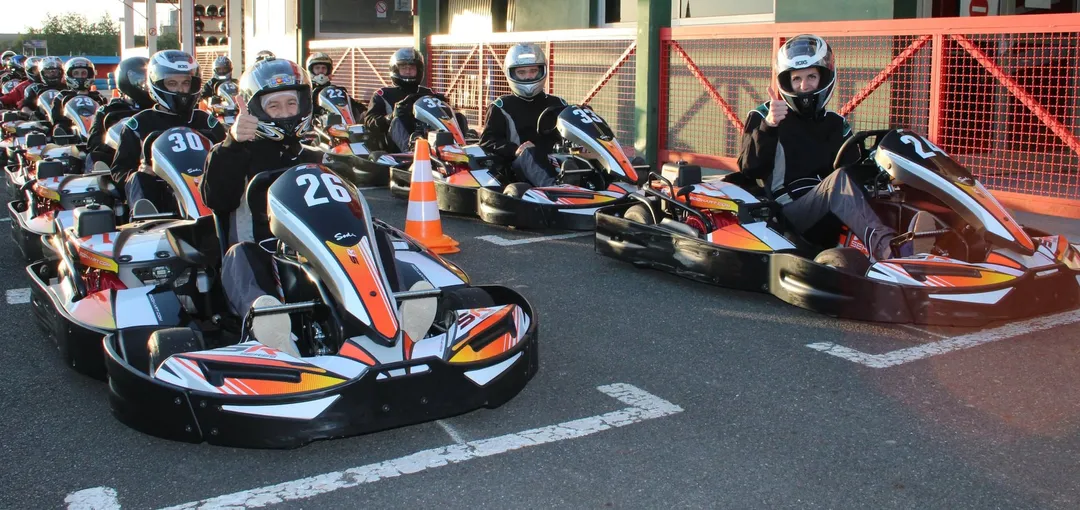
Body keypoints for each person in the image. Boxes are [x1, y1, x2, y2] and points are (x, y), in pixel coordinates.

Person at [737, 34, 928, 261]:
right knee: (839, 183)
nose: (804, 85)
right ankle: (891, 251)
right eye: (797, 79)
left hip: (829, 210)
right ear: (787, 82)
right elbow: (749, 169)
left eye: (811, 76)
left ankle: (933, 241)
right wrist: (769, 126)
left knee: (882, 187)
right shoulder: (766, 115)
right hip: (789, 215)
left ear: (824, 78)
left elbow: (853, 169)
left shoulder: (836, 123)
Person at [200, 57, 324, 356]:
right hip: (264, 255)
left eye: (291, 104)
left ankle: (403, 308)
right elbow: (217, 199)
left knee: (377, 234)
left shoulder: (315, 156)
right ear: (256, 110)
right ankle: (271, 327)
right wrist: (233, 145)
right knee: (239, 254)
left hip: (319, 253)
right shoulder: (235, 154)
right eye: (274, 106)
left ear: (304, 105)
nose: (285, 112)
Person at [111, 50, 225, 216]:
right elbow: (118, 171)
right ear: (157, 84)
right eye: (172, 83)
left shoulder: (207, 122)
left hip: (206, 190)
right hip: (161, 195)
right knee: (139, 178)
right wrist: (141, 171)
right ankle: (147, 220)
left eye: (186, 83)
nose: (180, 90)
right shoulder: (139, 125)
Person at [479, 43, 567, 187]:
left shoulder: (558, 103)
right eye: (522, 72)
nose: (528, 77)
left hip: (555, 159)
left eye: (533, 71)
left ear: (542, 71)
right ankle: (556, 190)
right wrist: (515, 149)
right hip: (518, 168)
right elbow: (488, 141)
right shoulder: (501, 106)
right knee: (529, 153)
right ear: (511, 74)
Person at [362, 47, 443, 153]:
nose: (408, 71)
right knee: (397, 120)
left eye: (412, 68)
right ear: (396, 70)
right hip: (394, 146)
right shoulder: (383, 95)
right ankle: (412, 151)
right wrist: (389, 117)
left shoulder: (429, 93)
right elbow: (369, 121)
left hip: (426, 134)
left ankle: (459, 146)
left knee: (458, 116)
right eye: (404, 68)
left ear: (418, 70)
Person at [86, 56, 152, 165]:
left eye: (147, 79)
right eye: (140, 78)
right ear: (123, 78)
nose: (144, 83)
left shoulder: (158, 109)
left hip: (155, 157)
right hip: (120, 159)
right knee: (94, 157)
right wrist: (117, 143)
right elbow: (94, 144)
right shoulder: (108, 111)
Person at [48, 57, 105, 134]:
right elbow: (56, 118)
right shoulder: (62, 96)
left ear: (90, 75)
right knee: (59, 126)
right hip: (70, 131)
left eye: (83, 73)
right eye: (76, 73)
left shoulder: (98, 97)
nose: (80, 77)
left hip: (95, 130)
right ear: (69, 75)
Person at [305, 52, 365, 122]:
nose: (321, 71)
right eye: (317, 68)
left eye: (324, 68)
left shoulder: (336, 91)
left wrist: (364, 112)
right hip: (313, 125)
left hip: (339, 125)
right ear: (311, 70)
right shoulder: (306, 91)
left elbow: (353, 105)